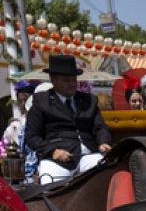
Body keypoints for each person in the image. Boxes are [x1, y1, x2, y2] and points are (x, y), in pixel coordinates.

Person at [24, 54, 112, 184]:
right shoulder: (42, 101)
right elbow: (32, 137)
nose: (72, 84)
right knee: (49, 183)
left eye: (74, 80)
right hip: (58, 159)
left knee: (109, 176)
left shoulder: (89, 100)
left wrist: (103, 142)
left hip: (89, 156)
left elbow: (100, 127)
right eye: (66, 80)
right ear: (53, 79)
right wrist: (52, 151)